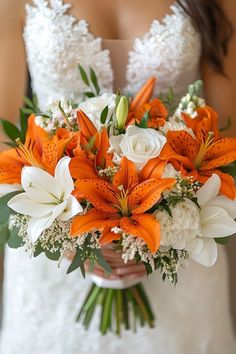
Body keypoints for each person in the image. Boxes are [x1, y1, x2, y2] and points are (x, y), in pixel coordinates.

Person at [0, 0, 236, 353]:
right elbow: (5, 136)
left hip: (180, 241)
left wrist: (163, 233)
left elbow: (226, 134)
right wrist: (70, 237)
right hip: (53, 232)